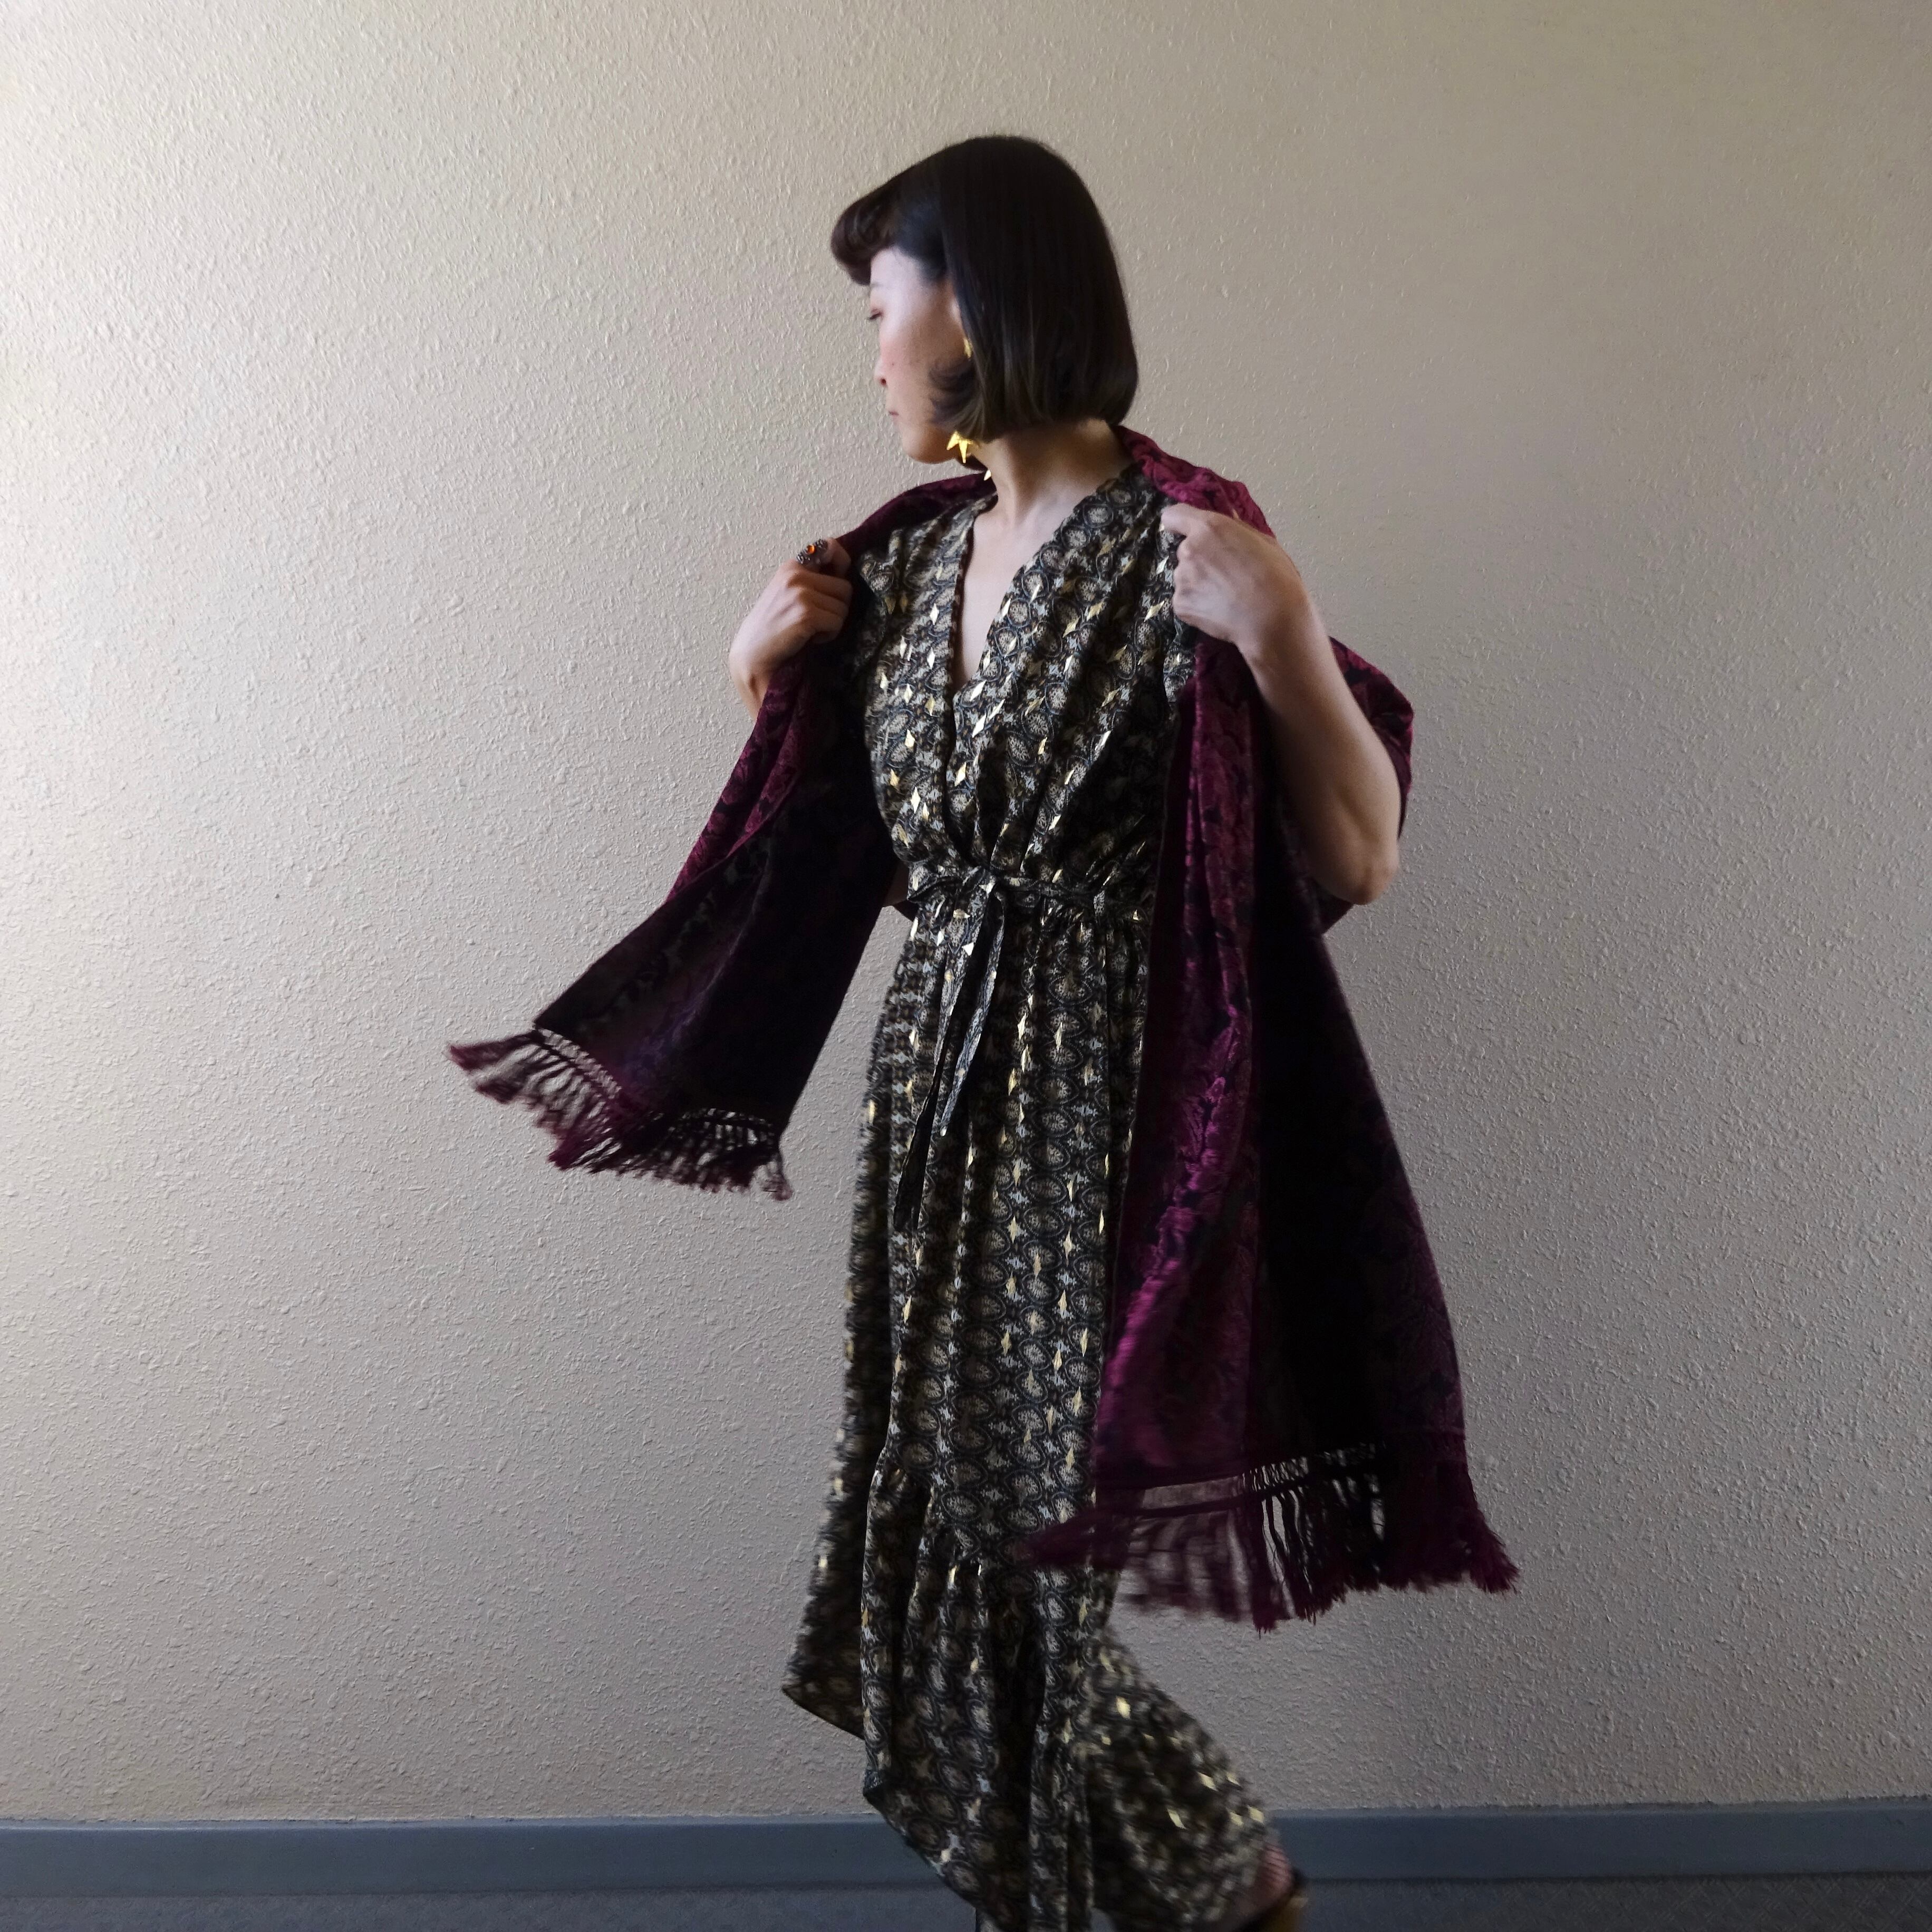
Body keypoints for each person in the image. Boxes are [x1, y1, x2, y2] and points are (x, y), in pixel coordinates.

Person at [725, 136, 1401, 1932]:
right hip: (933, 1102)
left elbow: (1358, 858)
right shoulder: (912, 569)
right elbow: (877, 866)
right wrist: (759, 674)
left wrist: (1286, 636)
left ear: (974, 305)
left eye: (880, 310)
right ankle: (1224, 1889)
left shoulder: (1184, 542)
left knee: (1028, 1569)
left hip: (1106, 1106)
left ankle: (1214, 1882)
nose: (870, 354)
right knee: (936, 1550)